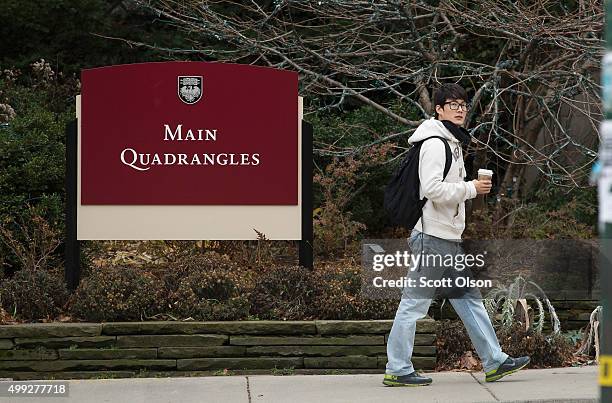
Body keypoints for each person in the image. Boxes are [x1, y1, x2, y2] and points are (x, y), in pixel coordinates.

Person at [383, 83, 530, 387]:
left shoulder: (452, 141)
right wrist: (470, 188)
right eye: (452, 104)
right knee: (414, 304)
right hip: (433, 238)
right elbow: (432, 188)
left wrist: (469, 188)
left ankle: (494, 361)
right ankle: (397, 368)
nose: (460, 109)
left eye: (463, 104)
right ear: (438, 109)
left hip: (446, 238)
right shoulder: (435, 142)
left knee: (469, 300)